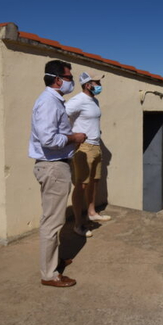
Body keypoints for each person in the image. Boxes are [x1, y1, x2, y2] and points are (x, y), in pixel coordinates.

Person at [29, 60, 87, 287]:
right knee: (52, 222)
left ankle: (53, 261)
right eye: (69, 77)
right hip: (53, 166)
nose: (71, 82)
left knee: (54, 219)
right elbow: (48, 139)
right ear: (57, 80)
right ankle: (49, 274)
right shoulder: (48, 103)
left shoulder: (53, 101)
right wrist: (74, 138)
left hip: (56, 164)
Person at [67, 72, 110, 237]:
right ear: (87, 84)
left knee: (94, 181)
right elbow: (62, 115)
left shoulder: (94, 100)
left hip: (96, 146)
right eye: (96, 82)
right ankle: (78, 224)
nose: (99, 85)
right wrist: (72, 136)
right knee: (81, 185)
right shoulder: (78, 100)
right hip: (84, 148)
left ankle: (91, 213)